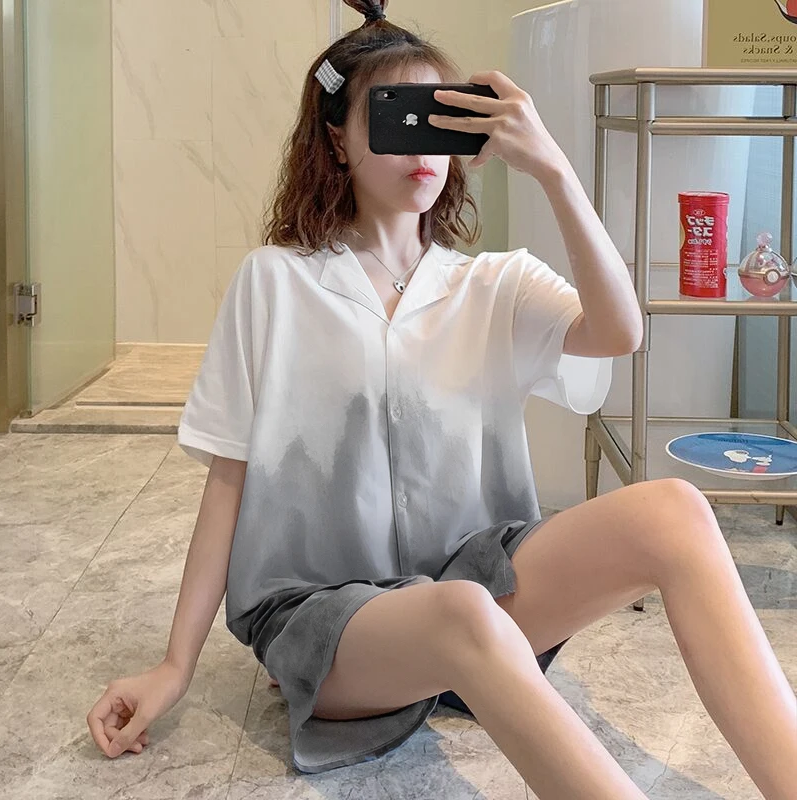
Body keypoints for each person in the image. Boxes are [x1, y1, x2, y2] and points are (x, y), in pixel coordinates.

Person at [87, 1, 797, 796]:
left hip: (479, 584)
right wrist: (175, 664)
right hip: (333, 620)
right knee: (461, 611)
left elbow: (619, 331)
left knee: (675, 511)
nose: (422, 146)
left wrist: (553, 168)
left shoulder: (493, 283)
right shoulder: (275, 284)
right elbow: (229, 479)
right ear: (338, 139)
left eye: (440, 118)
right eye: (397, 117)